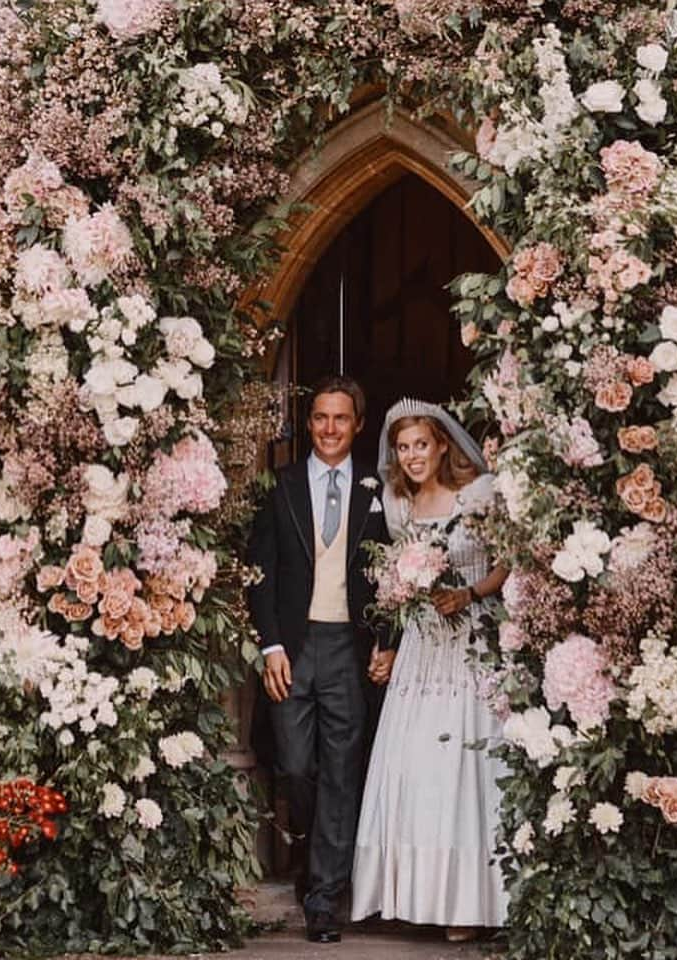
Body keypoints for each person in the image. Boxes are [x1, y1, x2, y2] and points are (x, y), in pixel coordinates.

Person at [350, 398, 510, 941]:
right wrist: (389, 643)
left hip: (471, 640)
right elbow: (397, 589)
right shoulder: (398, 504)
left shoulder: (479, 495)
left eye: (421, 444)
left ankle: (469, 903)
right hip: (421, 649)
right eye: (403, 447)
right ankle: (416, 895)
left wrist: (469, 592)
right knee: (416, 767)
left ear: (443, 444)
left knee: (465, 770)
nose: (413, 456)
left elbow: (508, 561)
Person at [247, 375, 394, 944]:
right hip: (293, 645)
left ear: (358, 424)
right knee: (295, 767)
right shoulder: (279, 486)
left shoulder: (375, 491)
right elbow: (259, 573)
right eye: (320, 419)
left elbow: (393, 577)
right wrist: (271, 645)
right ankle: (312, 863)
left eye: (341, 419)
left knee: (340, 773)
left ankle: (324, 898)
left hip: (347, 649)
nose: (330, 429)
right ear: (309, 424)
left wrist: (385, 639)